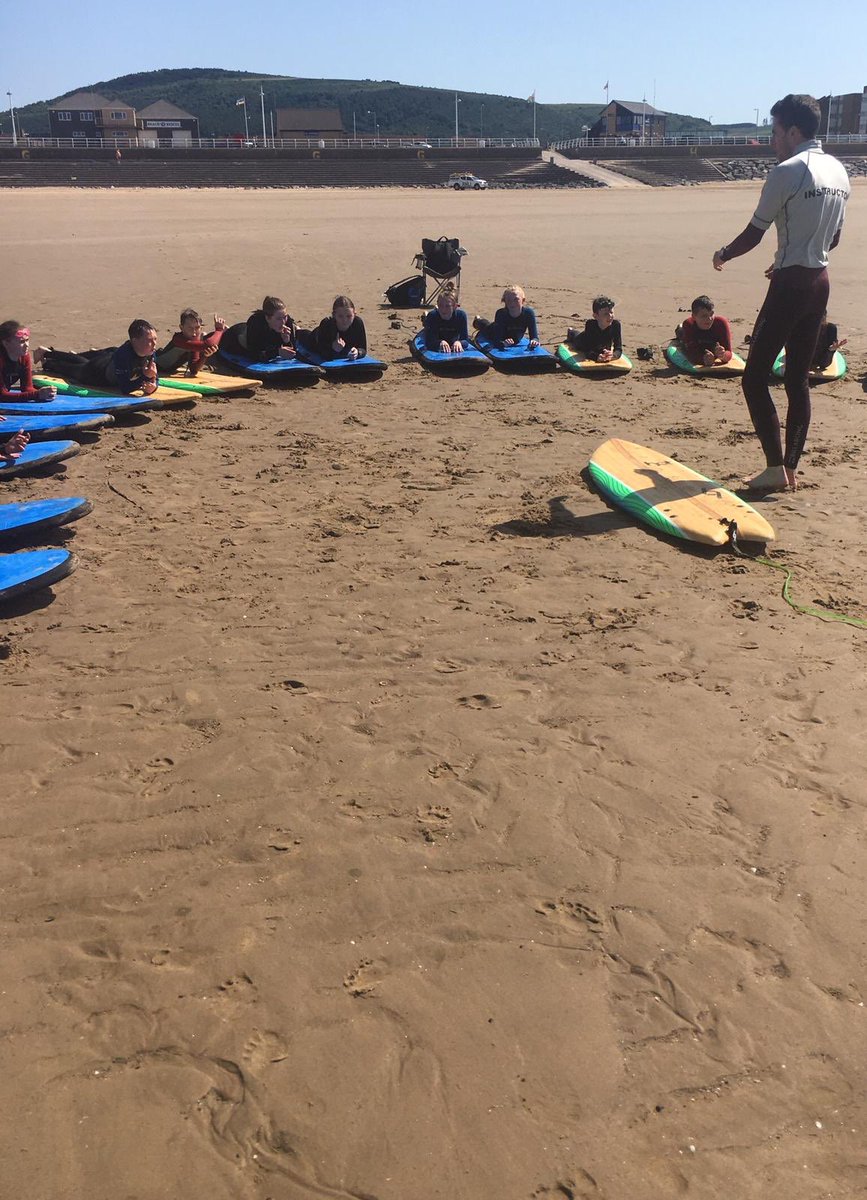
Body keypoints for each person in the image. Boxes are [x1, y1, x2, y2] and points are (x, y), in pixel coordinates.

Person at [712, 93, 850, 491]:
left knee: (754, 379)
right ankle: (790, 468)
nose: (772, 140)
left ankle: (775, 469)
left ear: (792, 131)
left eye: (774, 132)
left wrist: (723, 254)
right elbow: (834, 238)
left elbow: (754, 234)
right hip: (819, 282)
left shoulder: (787, 171)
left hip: (790, 286)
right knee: (796, 381)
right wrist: (796, 254)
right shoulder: (840, 171)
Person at [41, 320, 160, 396]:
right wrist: (145, 377)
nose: (154, 344)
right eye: (149, 340)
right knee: (70, 369)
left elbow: (154, 377)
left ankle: (49, 353)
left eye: (155, 339)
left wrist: (153, 386)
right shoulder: (124, 355)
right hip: (96, 373)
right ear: (135, 341)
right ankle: (47, 359)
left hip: (108, 359)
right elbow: (124, 388)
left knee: (80, 360)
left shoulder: (150, 351)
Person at [221, 296, 296, 361]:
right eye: (278, 319)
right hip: (236, 339)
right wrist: (277, 352)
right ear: (267, 318)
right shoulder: (256, 322)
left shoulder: (287, 321)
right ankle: (222, 330)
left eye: (285, 317)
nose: (283, 322)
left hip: (263, 342)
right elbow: (254, 355)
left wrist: (287, 340)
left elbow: (293, 351)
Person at [156, 309, 228, 376]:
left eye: (197, 328)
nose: (194, 332)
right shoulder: (178, 339)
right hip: (153, 363)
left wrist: (205, 356)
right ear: (181, 327)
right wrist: (219, 330)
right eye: (190, 328)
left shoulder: (194, 340)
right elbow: (208, 345)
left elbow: (193, 369)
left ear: (201, 328)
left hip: (167, 370)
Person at [0, 321, 58, 400]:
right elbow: (1, 395)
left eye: (27, 340)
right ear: (6, 343)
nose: (27, 345)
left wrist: (45, 393)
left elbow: (27, 388)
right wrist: (36, 395)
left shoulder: (23, 357)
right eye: (21, 342)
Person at [473, 285, 540, 349]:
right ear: (504, 301)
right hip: (493, 332)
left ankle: (479, 319)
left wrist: (534, 341)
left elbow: (534, 337)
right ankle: (478, 320)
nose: (512, 303)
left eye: (516, 299)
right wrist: (503, 343)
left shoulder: (528, 313)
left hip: (515, 338)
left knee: (489, 324)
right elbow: (497, 339)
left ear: (523, 300)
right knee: (487, 327)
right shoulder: (501, 313)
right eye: (508, 300)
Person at [303, 295, 367, 360]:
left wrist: (358, 352)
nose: (345, 320)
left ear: (354, 314)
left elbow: (363, 349)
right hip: (314, 338)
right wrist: (333, 349)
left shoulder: (358, 322)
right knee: (302, 336)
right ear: (334, 315)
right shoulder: (327, 324)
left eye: (349, 316)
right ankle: (297, 328)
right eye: (340, 316)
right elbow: (322, 353)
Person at [676, 296, 733, 367]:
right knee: (680, 333)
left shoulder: (721, 323)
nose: (709, 319)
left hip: (712, 345)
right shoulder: (689, 324)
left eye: (711, 314)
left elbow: (729, 351)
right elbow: (690, 353)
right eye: (704, 316)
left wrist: (723, 355)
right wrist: (703, 359)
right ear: (694, 316)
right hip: (693, 340)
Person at [566, 296, 622, 362]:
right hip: (582, 342)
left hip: (601, 345)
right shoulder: (590, 325)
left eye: (611, 312)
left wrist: (613, 355)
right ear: (595, 316)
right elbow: (587, 349)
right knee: (575, 337)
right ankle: (571, 331)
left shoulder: (616, 325)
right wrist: (596, 357)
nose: (610, 316)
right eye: (606, 314)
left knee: (601, 347)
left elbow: (618, 348)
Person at [423, 284, 470, 354]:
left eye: (447, 306)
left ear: (455, 306)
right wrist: (439, 342)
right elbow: (429, 342)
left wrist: (459, 342)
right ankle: (425, 318)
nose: (443, 310)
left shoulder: (461, 316)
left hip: (453, 340)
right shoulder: (433, 316)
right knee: (426, 326)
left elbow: (465, 340)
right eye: (440, 305)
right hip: (437, 336)